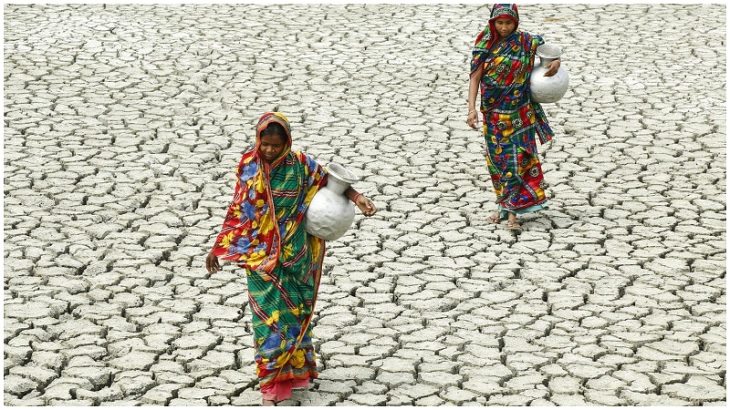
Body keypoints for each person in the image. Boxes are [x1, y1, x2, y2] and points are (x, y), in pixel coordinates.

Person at [205, 112, 376, 405]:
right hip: (259, 255)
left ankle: (296, 373)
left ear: (287, 142)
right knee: (268, 320)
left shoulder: (300, 165)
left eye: (275, 145)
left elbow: (329, 182)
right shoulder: (248, 165)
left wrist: (357, 197)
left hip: (297, 254)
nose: (269, 150)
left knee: (296, 314)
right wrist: (219, 246)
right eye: (265, 143)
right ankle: (272, 385)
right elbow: (238, 209)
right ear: (258, 139)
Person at [466, 4, 560, 232]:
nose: (504, 27)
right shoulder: (484, 44)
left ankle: (512, 215)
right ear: (492, 22)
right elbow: (475, 78)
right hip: (494, 115)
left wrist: (556, 63)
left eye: (509, 23)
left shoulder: (527, 42)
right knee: (499, 163)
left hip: (521, 114)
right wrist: (471, 109)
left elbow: (551, 54)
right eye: (500, 23)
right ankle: (504, 206)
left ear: (516, 22)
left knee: (519, 161)